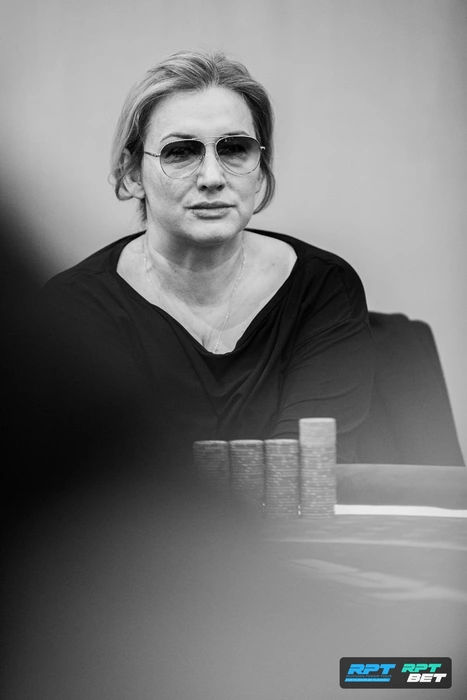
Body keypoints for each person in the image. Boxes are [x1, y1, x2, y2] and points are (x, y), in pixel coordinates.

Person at [40, 49, 375, 472]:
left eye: (234, 149)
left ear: (260, 169)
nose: (213, 178)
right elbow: (94, 485)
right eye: (181, 152)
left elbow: (306, 472)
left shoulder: (322, 288)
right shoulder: (74, 309)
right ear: (132, 173)